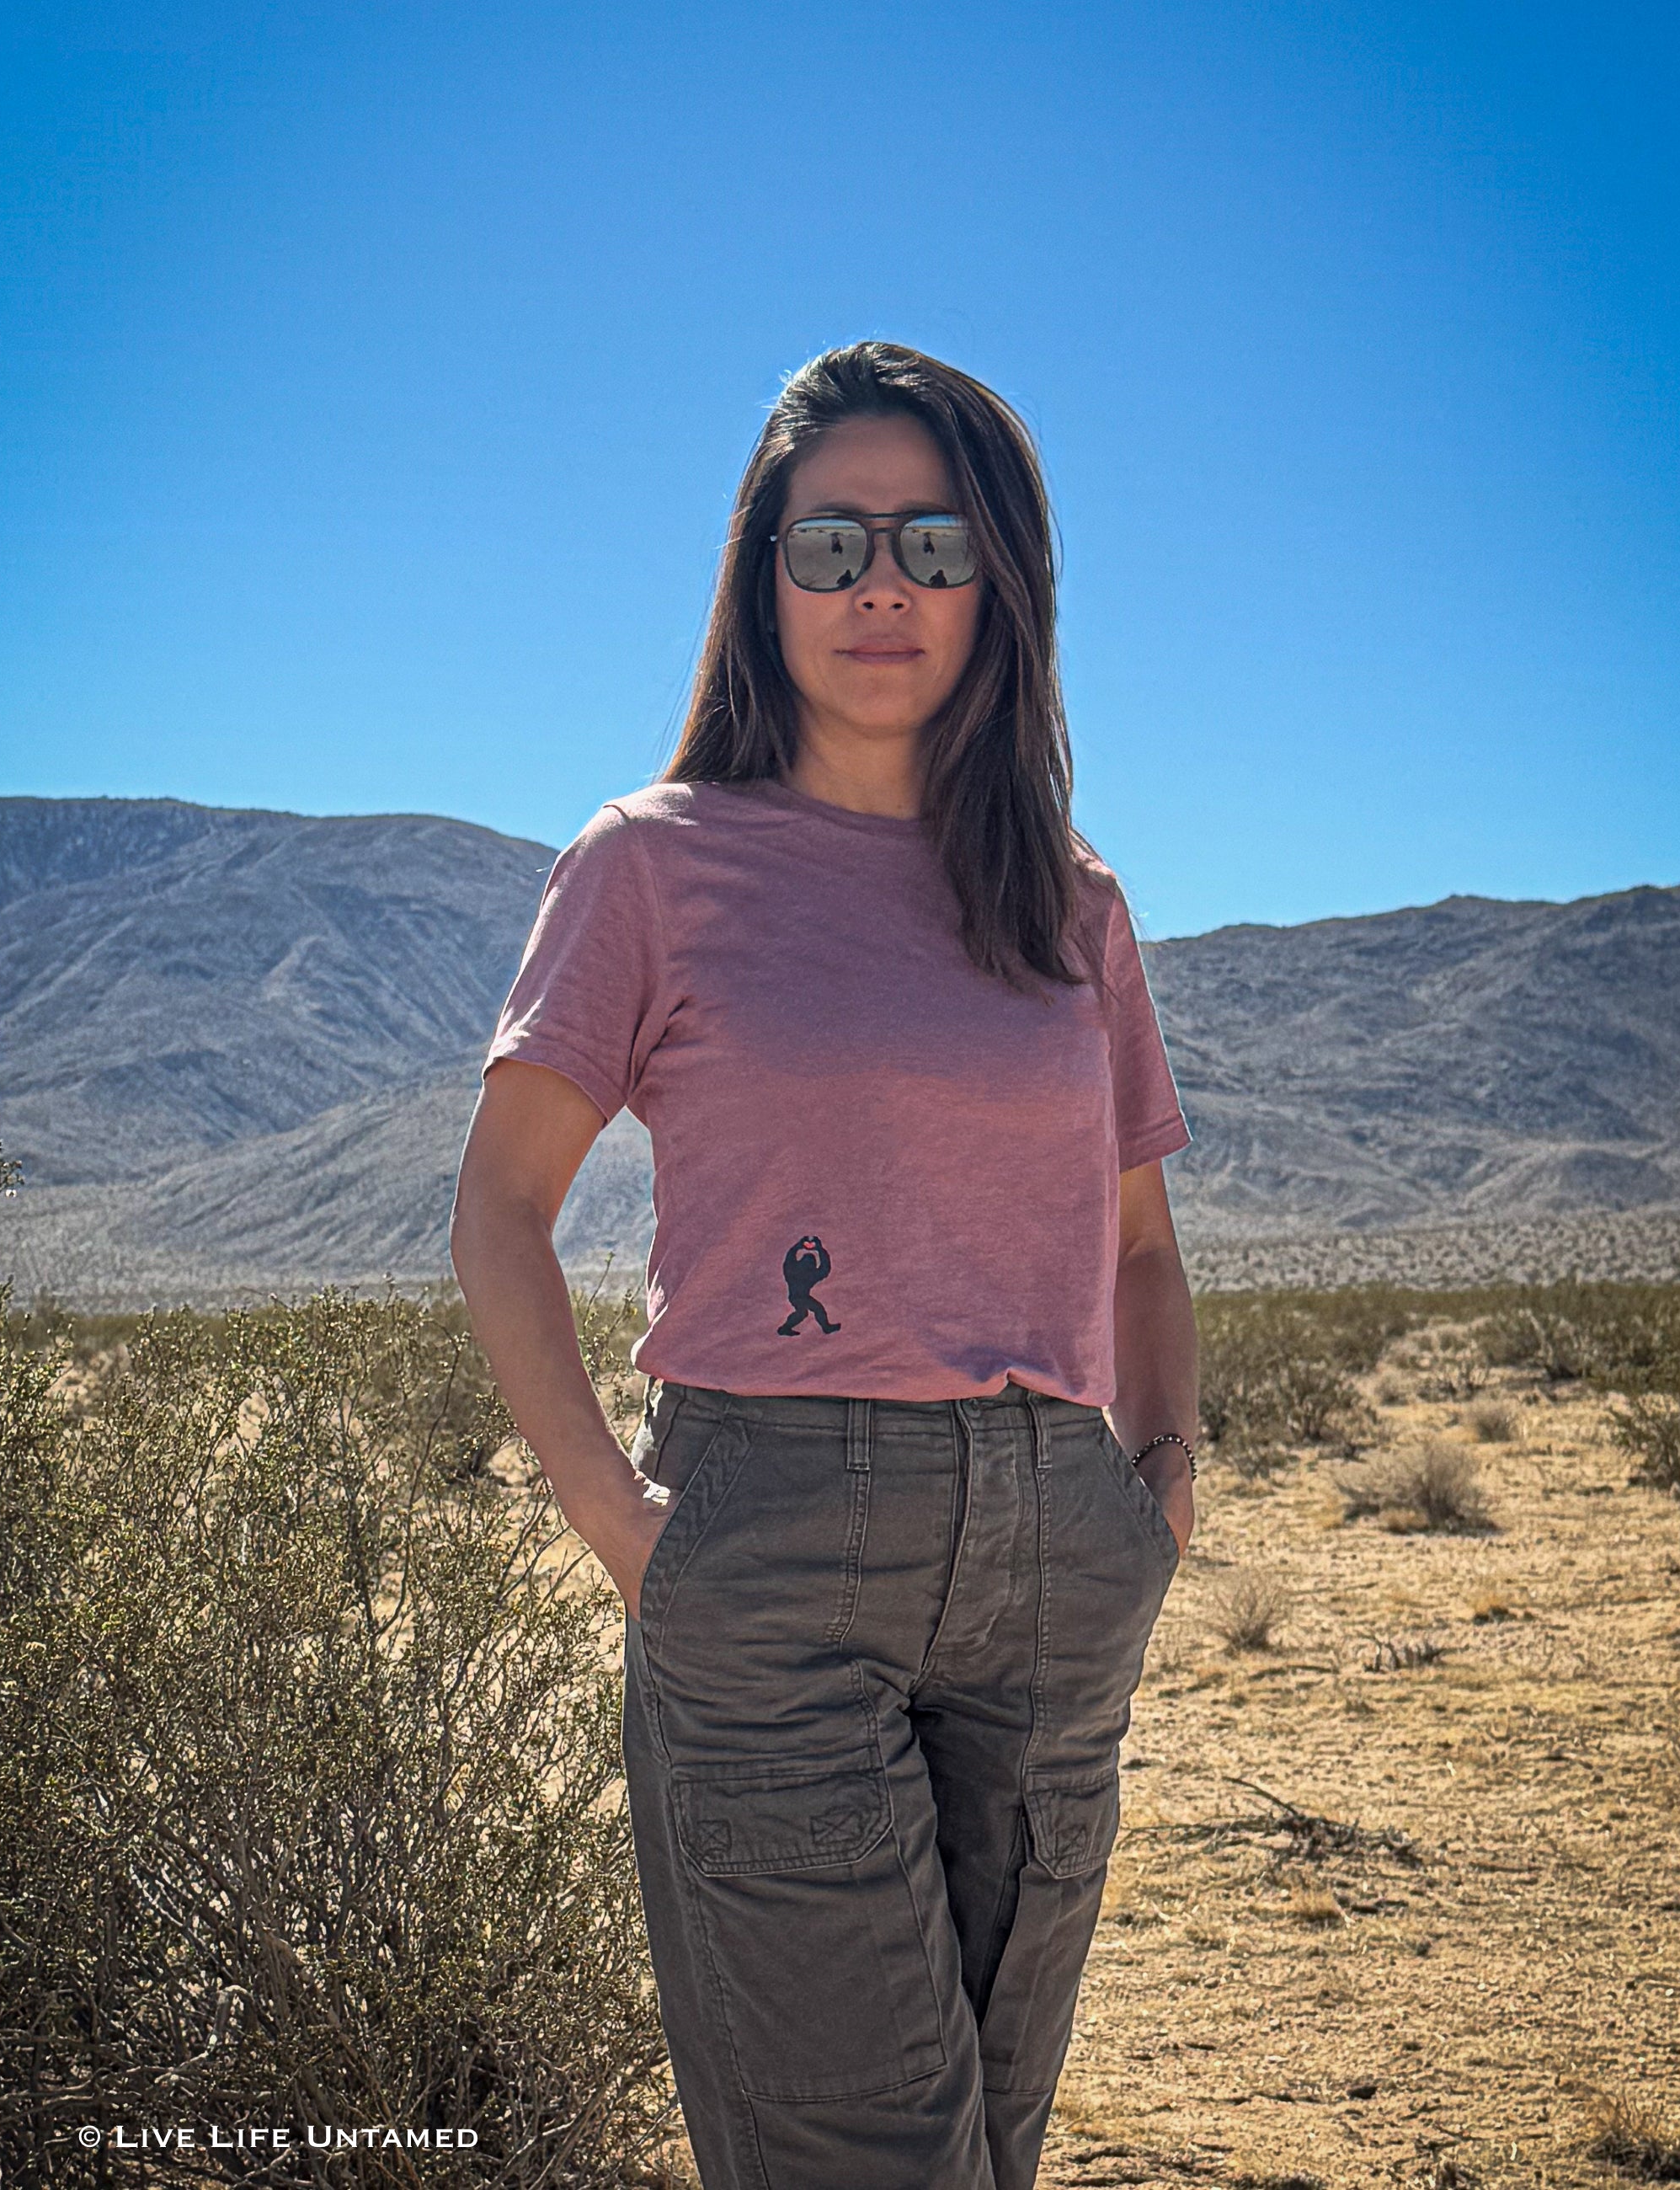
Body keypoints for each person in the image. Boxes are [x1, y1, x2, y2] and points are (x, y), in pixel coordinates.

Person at [450, 340, 1198, 2190]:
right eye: (833, 539)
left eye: (934, 544)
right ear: (757, 576)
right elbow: (499, 1211)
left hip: (1052, 1566)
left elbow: (1135, 1242)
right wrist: (625, 1523)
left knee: (986, 2143)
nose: (883, 581)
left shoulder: (1068, 901)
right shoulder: (650, 867)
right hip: (769, 1556)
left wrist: (1159, 1487)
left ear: (998, 586)